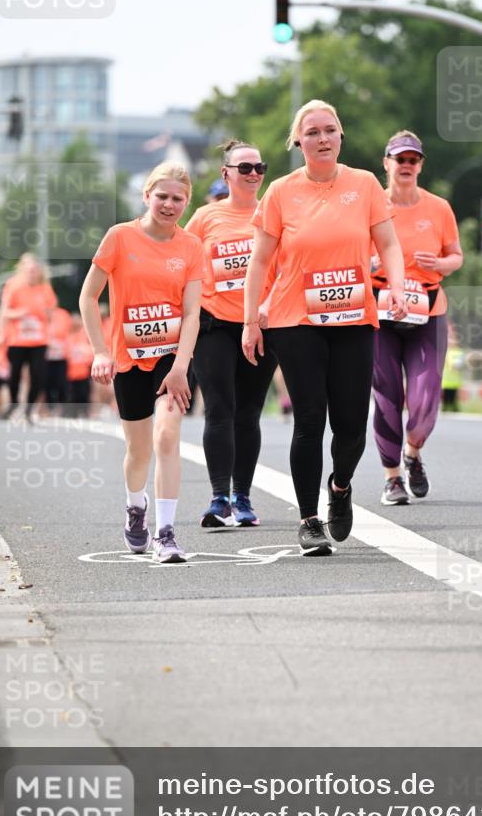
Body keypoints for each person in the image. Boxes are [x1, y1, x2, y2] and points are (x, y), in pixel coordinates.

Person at [243, 99, 407, 556]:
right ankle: (308, 519)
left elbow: (390, 244)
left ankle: (340, 485)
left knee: (353, 424)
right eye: (312, 132)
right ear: (298, 141)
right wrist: (250, 318)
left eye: (329, 130)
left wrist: (396, 287)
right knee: (310, 418)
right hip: (295, 319)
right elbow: (259, 261)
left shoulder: (365, 184)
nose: (322, 139)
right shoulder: (279, 191)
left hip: (355, 317)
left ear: (340, 137)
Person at [79, 162, 205, 563]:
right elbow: (87, 298)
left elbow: (191, 314)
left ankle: (166, 534)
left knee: (166, 438)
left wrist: (182, 364)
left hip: (173, 357)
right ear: (147, 196)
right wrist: (101, 351)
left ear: (187, 202)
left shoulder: (190, 247)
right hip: (129, 358)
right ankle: (136, 507)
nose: (169, 205)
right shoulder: (120, 237)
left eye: (178, 199)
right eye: (162, 196)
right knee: (138, 451)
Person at [185, 140, 277, 527]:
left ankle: (243, 497)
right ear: (226, 174)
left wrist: (267, 308)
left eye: (259, 167)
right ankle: (218, 497)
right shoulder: (206, 218)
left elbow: (291, 264)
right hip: (215, 325)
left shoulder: (274, 215)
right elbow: (181, 263)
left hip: (262, 325)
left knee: (248, 412)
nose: (253, 174)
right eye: (245, 168)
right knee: (219, 408)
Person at [371, 131, 462, 505]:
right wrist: (368, 264)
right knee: (387, 396)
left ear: (420, 165)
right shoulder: (371, 205)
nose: (406, 166)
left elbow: (457, 256)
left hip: (429, 308)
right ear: (387, 163)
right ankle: (392, 477)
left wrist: (440, 264)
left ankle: (412, 452)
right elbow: (345, 251)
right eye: (400, 159)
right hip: (380, 311)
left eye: (413, 160)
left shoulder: (438, 208)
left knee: (425, 398)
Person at [0, 253, 57, 421]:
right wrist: (18, 315)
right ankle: (14, 403)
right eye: (29, 270)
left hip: (39, 340)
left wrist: (45, 313)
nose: (33, 273)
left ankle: (29, 409)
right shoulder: (13, 286)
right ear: (22, 270)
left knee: (38, 375)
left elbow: (51, 313)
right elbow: (5, 312)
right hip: (18, 340)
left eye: (35, 270)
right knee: (14, 374)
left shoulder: (45, 288)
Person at [442, 321, 464, 412]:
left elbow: (457, 365)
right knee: (446, 400)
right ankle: (445, 408)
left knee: (453, 400)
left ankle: (454, 408)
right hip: (445, 382)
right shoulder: (443, 351)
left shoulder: (458, 351)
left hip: (454, 382)